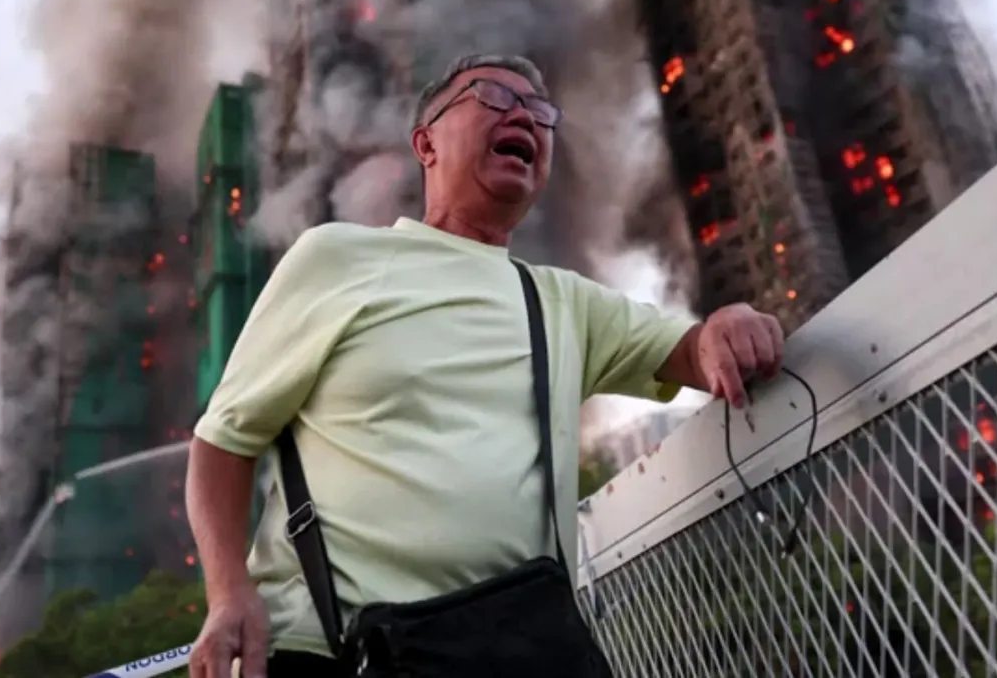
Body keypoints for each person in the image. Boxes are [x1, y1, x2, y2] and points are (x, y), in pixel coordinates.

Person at [186, 54, 785, 677]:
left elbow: (688, 351)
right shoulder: (338, 258)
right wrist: (228, 594)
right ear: (426, 144)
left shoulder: (563, 301)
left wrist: (727, 326)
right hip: (334, 654)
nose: (524, 115)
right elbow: (224, 440)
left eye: (540, 112)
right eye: (494, 97)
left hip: (519, 656)